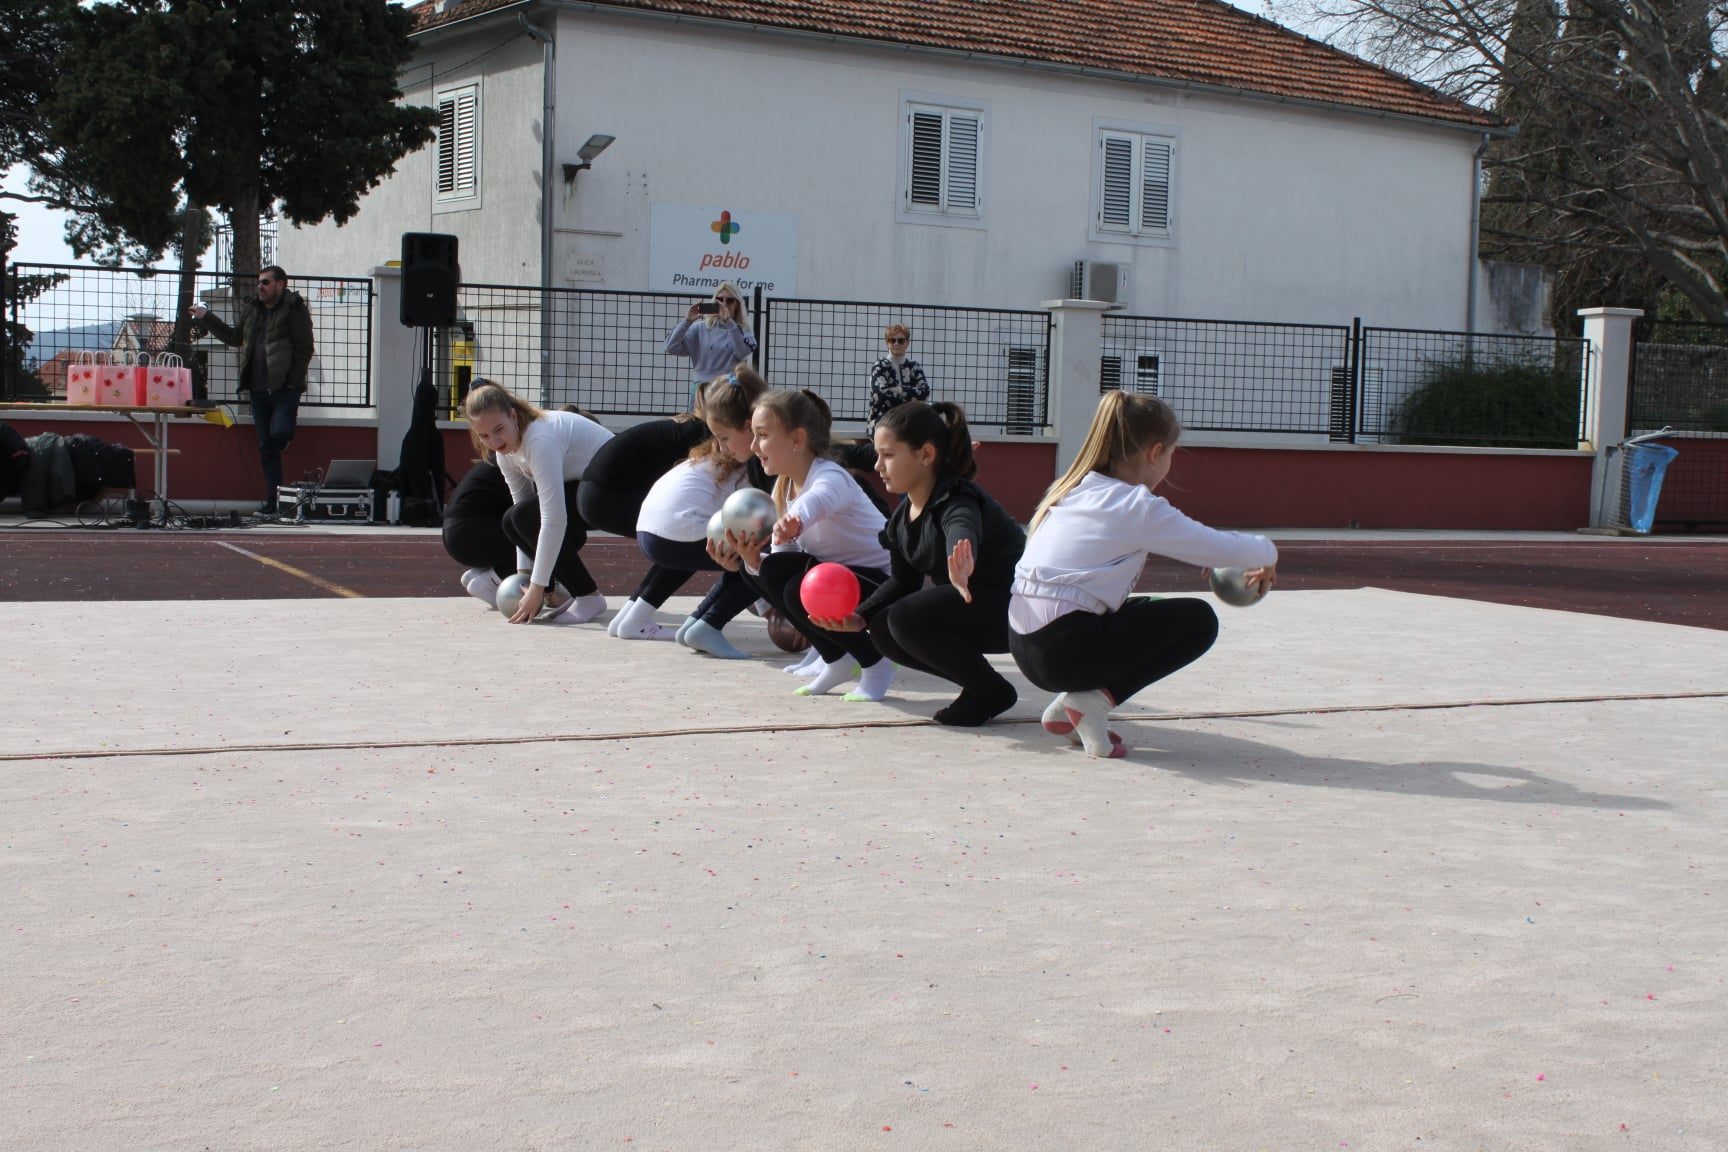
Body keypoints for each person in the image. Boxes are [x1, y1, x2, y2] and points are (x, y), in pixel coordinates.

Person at [1009, 391, 1278, 759]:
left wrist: (1205, 553)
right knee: (1198, 620)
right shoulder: (1135, 505)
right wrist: (1268, 554)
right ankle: (1091, 702)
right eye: (1171, 454)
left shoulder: (1075, 490)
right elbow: (1222, 546)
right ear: (1155, 452)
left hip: (1024, 645)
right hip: (1062, 652)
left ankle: (1072, 707)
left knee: (1146, 607)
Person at [807, 401, 1025, 727]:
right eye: (877, 455)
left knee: (905, 617)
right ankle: (984, 687)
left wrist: (961, 557)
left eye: (888, 455)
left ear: (925, 455)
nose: (877, 465)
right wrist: (860, 616)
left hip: (1016, 609)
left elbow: (961, 526)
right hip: (974, 607)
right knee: (883, 627)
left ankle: (989, 691)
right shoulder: (901, 519)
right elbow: (903, 581)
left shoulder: (957, 498)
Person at [717, 388, 895, 700]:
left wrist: (796, 519)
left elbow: (819, 499)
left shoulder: (831, 476)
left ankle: (875, 663)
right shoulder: (782, 487)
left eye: (762, 435)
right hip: (845, 579)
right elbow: (782, 561)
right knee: (764, 570)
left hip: (883, 585)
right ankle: (837, 659)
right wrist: (753, 560)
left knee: (793, 587)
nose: (754, 446)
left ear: (797, 439)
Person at [634, 366, 773, 657]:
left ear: (749, 426)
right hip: (675, 532)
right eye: (717, 438)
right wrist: (770, 606)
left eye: (724, 438)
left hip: (651, 531)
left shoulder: (754, 460)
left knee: (750, 553)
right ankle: (707, 624)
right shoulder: (752, 462)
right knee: (763, 555)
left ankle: (696, 624)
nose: (720, 446)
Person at [464, 381, 613, 625]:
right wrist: (522, 577)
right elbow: (520, 516)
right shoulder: (505, 455)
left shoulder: (539, 439)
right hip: (587, 486)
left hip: (616, 489)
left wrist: (536, 588)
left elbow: (553, 519)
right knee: (512, 518)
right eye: (484, 436)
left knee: (529, 518)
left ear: (513, 416)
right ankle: (569, 591)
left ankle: (588, 596)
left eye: (499, 429)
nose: (495, 441)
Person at [577, 412, 715, 641]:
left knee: (678, 537)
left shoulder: (689, 428)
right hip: (607, 495)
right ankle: (636, 620)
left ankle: (628, 616)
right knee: (687, 539)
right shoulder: (707, 436)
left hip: (593, 494)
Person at [190, 266, 314, 512]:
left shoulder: (294, 308)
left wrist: (293, 380)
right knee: (266, 449)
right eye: (259, 282)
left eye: (266, 282)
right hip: (257, 389)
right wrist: (207, 317)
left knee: (279, 432)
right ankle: (273, 502)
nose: (260, 286)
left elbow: (305, 347)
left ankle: (282, 439)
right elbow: (234, 338)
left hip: (284, 388)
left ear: (281, 284)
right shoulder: (253, 309)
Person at [441, 460, 517, 606]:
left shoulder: (504, 459)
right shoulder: (519, 461)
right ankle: (495, 578)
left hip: (456, 533)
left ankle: (482, 573)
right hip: (473, 534)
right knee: (535, 533)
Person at [663, 282, 756, 398]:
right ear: (714, 301)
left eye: (730, 300)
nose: (724, 304)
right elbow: (670, 347)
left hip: (727, 388)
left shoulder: (742, 330)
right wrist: (687, 321)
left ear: (736, 304)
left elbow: (743, 352)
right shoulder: (699, 328)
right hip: (702, 388)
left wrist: (729, 323)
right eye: (720, 299)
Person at [866, 324, 930, 432]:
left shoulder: (914, 366)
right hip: (883, 421)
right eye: (892, 340)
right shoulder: (879, 366)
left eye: (900, 340)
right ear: (887, 343)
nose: (896, 343)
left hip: (910, 421)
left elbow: (924, 393)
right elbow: (881, 395)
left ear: (907, 343)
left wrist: (899, 390)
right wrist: (911, 398)